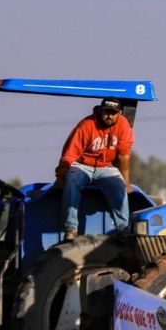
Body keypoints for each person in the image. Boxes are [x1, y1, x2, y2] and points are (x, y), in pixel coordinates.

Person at [56, 97, 133, 239]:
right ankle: (71, 229)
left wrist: (126, 181)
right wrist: (60, 177)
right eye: (106, 112)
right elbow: (69, 154)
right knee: (72, 180)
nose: (109, 115)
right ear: (100, 110)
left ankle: (123, 230)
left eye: (113, 112)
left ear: (120, 113)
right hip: (82, 165)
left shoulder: (123, 126)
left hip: (107, 167)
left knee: (118, 185)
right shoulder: (86, 124)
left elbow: (124, 156)